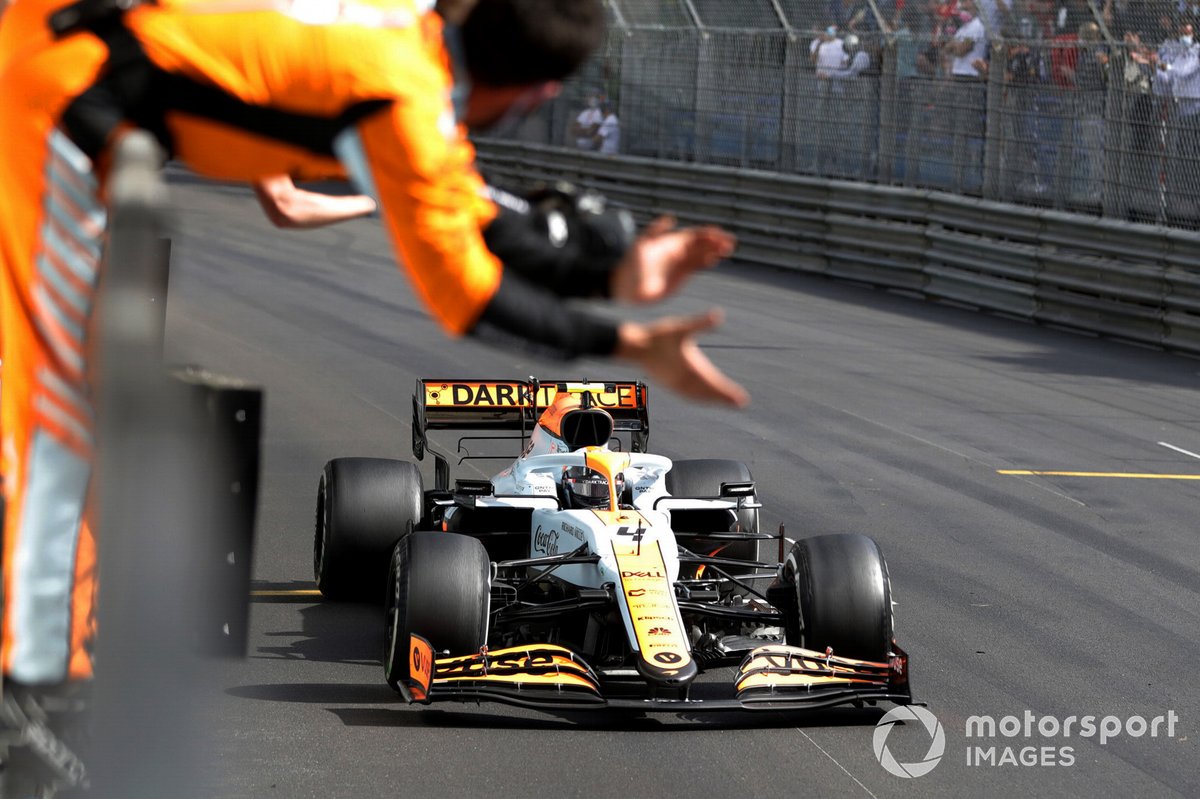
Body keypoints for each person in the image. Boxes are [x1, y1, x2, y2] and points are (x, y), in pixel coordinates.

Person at [0, 0, 746, 710]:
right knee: (49, 420)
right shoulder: (401, 98)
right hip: (49, 113)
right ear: (538, 93)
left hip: (64, 54)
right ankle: (32, 693)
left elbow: (466, 206)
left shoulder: (405, 36)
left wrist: (611, 279)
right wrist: (630, 340)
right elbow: (469, 294)